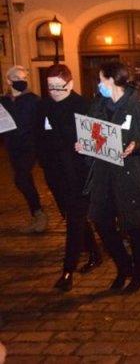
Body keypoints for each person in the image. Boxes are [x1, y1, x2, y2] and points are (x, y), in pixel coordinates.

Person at [79, 62, 140, 293]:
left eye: (101, 80)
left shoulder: (136, 107)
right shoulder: (98, 104)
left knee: (134, 227)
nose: (99, 85)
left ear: (113, 80)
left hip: (130, 176)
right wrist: (84, 144)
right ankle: (124, 266)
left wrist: (135, 146)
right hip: (104, 174)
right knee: (101, 222)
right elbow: (92, 132)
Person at [38, 64, 102, 291]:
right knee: (73, 217)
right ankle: (95, 253)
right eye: (50, 87)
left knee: (74, 222)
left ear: (70, 84)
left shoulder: (84, 106)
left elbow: (98, 140)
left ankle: (68, 271)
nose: (54, 92)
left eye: (59, 87)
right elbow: (40, 137)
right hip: (55, 174)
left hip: (78, 174)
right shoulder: (44, 105)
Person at [0, 65, 49, 233]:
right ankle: (37, 214)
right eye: (17, 79)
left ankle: (40, 214)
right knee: (26, 180)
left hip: (30, 146)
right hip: (12, 147)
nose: (21, 82)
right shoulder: (3, 101)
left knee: (20, 178)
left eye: (24, 79)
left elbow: (42, 124)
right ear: (8, 81)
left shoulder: (33, 100)